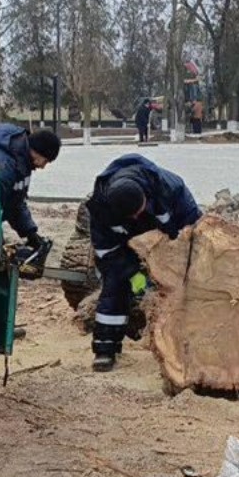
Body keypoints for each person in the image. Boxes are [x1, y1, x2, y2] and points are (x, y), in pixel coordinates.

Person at [87, 154, 201, 371]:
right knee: (114, 284)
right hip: (125, 249)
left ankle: (192, 345)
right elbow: (105, 250)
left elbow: (194, 225)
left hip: (170, 245)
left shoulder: (170, 187)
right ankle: (105, 348)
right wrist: (134, 274)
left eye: (141, 210)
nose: (138, 216)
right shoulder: (101, 207)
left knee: (191, 286)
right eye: (133, 215)